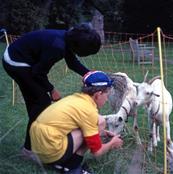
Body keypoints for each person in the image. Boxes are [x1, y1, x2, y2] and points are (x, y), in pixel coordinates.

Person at [2, 23, 101, 153]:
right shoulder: (57, 46)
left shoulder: (66, 39)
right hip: (16, 62)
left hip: (21, 59)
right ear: (80, 47)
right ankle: (28, 150)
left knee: (37, 103)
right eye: (87, 52)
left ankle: (36, 139)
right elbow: (38, 72)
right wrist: (52, 90)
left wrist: (90, 74)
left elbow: (72, 63)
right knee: (41, 102)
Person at [30, 71, 123, 173]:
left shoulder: (75, 98)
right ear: (98, 94)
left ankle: (61, 163)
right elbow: (97, 151)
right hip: (50, 150)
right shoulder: (88, 110)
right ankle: (72, 168)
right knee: (99, 122)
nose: (106, 99)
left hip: (38, 146)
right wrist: (112, 143)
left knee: (96, 123)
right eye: (107, 94)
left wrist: (103, 133)